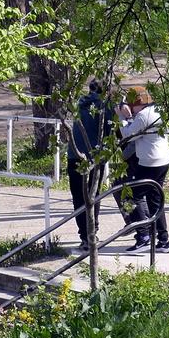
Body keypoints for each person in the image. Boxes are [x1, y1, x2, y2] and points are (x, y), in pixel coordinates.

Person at [119, 85, 169, 255]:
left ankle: (143, 236)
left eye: (130, 104)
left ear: (137, 102)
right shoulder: (158, 110)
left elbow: (128, 135)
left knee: (129, 195)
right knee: (155, 200)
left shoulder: (142, 116)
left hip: (150, 162)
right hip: (162, 160)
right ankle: (164, 240)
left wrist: (123, 117)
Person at [67, 78, 115, 252]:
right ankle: (92, 234)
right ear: (106, 91)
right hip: (94, 157)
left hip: (74, 155)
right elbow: (111, 132)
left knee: (79, 197)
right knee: (93, 196)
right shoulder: (105, 107)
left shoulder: (78, 104)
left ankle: (84, 236)